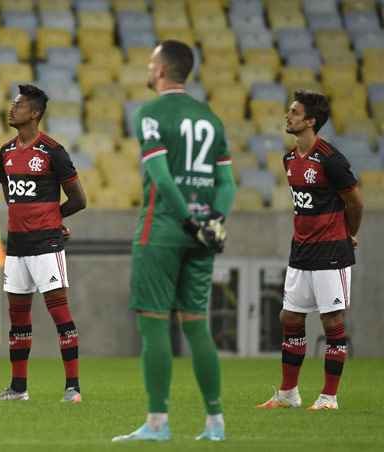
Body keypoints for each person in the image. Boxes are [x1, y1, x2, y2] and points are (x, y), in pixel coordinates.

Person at [112, 40, 236, 442]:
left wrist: (186, 220)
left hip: (162, 231)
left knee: (154, 326)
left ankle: (157, 423)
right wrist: (213, 222)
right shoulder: (210, 117)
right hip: (202, 237)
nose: (148, 69)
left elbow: (162, 177)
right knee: (197, 326)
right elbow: (227, 182)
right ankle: (215, 423)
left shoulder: (150, 114)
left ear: (162, 70)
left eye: (151, 63)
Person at [256, 90, 363, 411]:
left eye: (295, 112)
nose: (288, 116)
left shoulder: (331, 159)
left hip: (331, 251)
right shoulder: (289, 159)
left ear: (311, 121)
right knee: (289, 317)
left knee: (332, 321)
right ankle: (288, 393)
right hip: (301, 251)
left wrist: (350, 233)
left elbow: (355, 202)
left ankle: (329, 397)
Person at [0, 84, 87, 403]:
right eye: (12, 103)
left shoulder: (53, 151)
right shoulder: (5, 152)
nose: (12, 108)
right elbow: (11, 198)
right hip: (16, 246)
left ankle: (72, 387)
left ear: (34, 113)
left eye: (18, 105)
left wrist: (54, 219)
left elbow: (79, 199)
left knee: (59, 313)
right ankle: (18, 388)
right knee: (18, 318)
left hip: (46, 244)